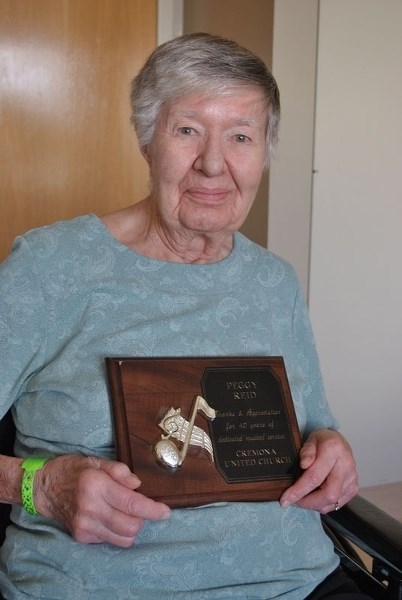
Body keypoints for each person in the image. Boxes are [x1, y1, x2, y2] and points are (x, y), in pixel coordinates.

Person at [0, 33, 368, 600]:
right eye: (188, 130)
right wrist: (39, 486)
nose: (214, 164)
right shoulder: (52, 268)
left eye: (241, 136)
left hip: (296, 584)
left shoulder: (275, 282)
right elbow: (33, 485)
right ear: (148, 140)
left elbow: (318, 430)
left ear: (264, 153)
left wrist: (332, 454)